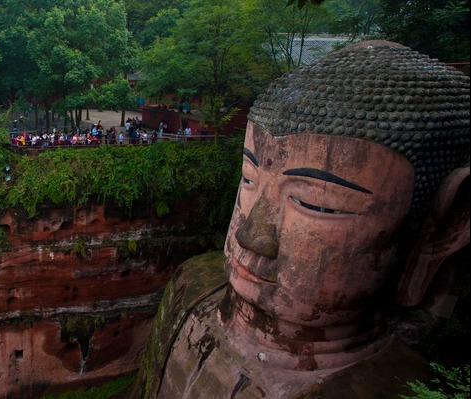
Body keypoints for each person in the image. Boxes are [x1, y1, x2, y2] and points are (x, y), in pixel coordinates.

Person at [150, 41, 471, 398]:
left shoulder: (398, 388)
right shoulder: (192, 288)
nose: (250, 235)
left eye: (316, 203)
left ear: (441, 232)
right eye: (248, 179)